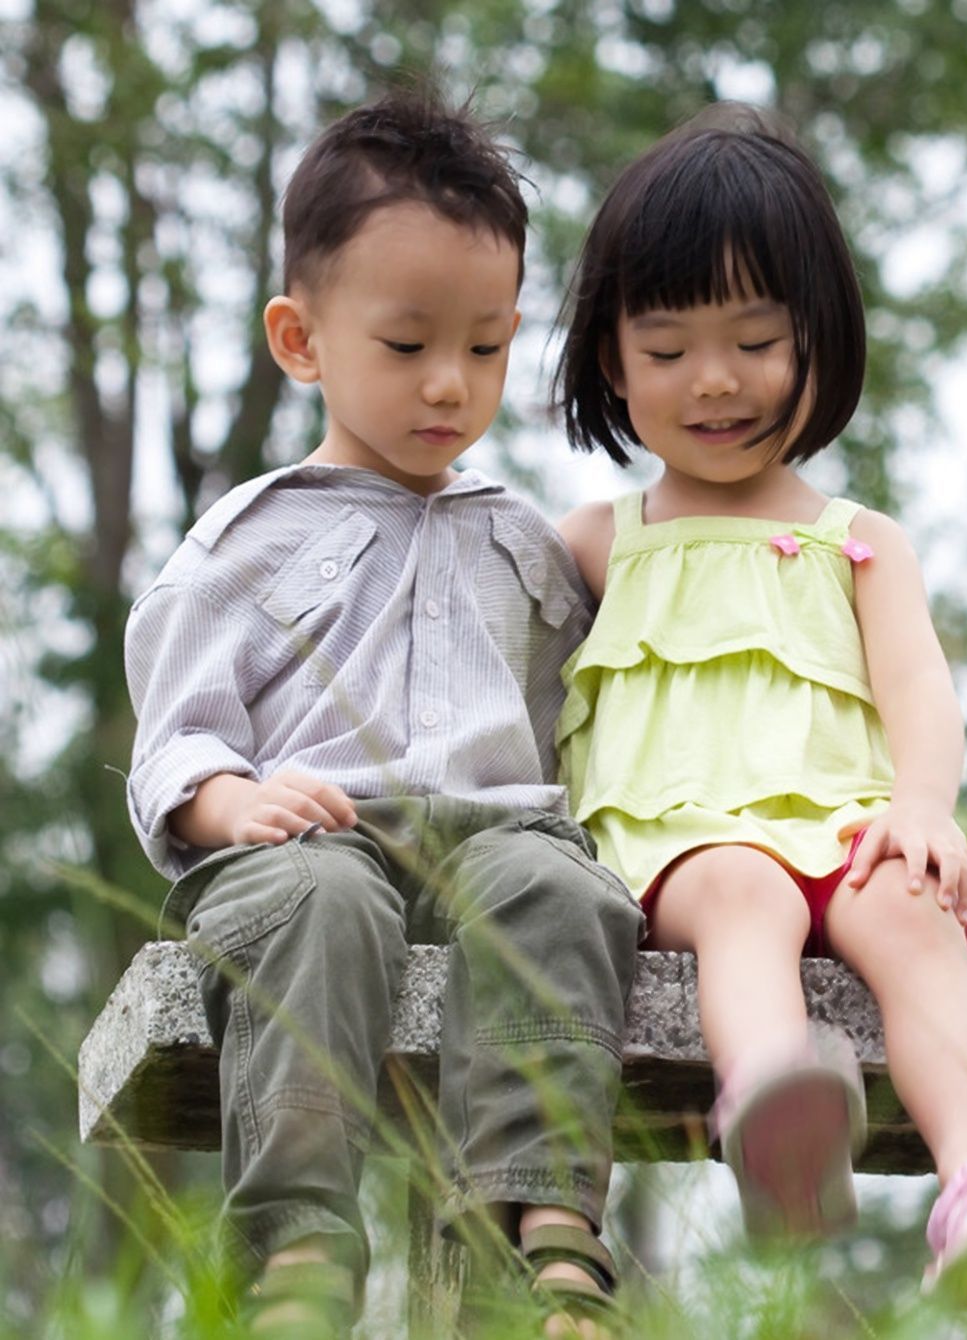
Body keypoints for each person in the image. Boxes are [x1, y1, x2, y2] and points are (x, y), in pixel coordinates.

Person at [123, 92, 641, 1337]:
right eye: (407, 346)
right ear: (300, 339)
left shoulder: (524, 538)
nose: (450, 385)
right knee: (325, 902)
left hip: (491, 833)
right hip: (304, 843)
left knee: (562, 891)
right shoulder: (242, 543)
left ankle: (548, 1221)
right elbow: (177, 735)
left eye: (487, 345)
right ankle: (300, 1243)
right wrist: (233, 798)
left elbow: (571, 722)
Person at [552, 103, 967, 1292]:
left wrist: (924, 806)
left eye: (755, 339)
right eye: (669, 346)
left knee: (909, 914)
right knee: (742, 888)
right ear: (610, 359)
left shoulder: (859, 540)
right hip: (678, 841)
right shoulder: (596, 543)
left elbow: (917, 686)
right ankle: (779, 1106)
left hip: (842, 822)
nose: (715, 381)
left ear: (816, 342)